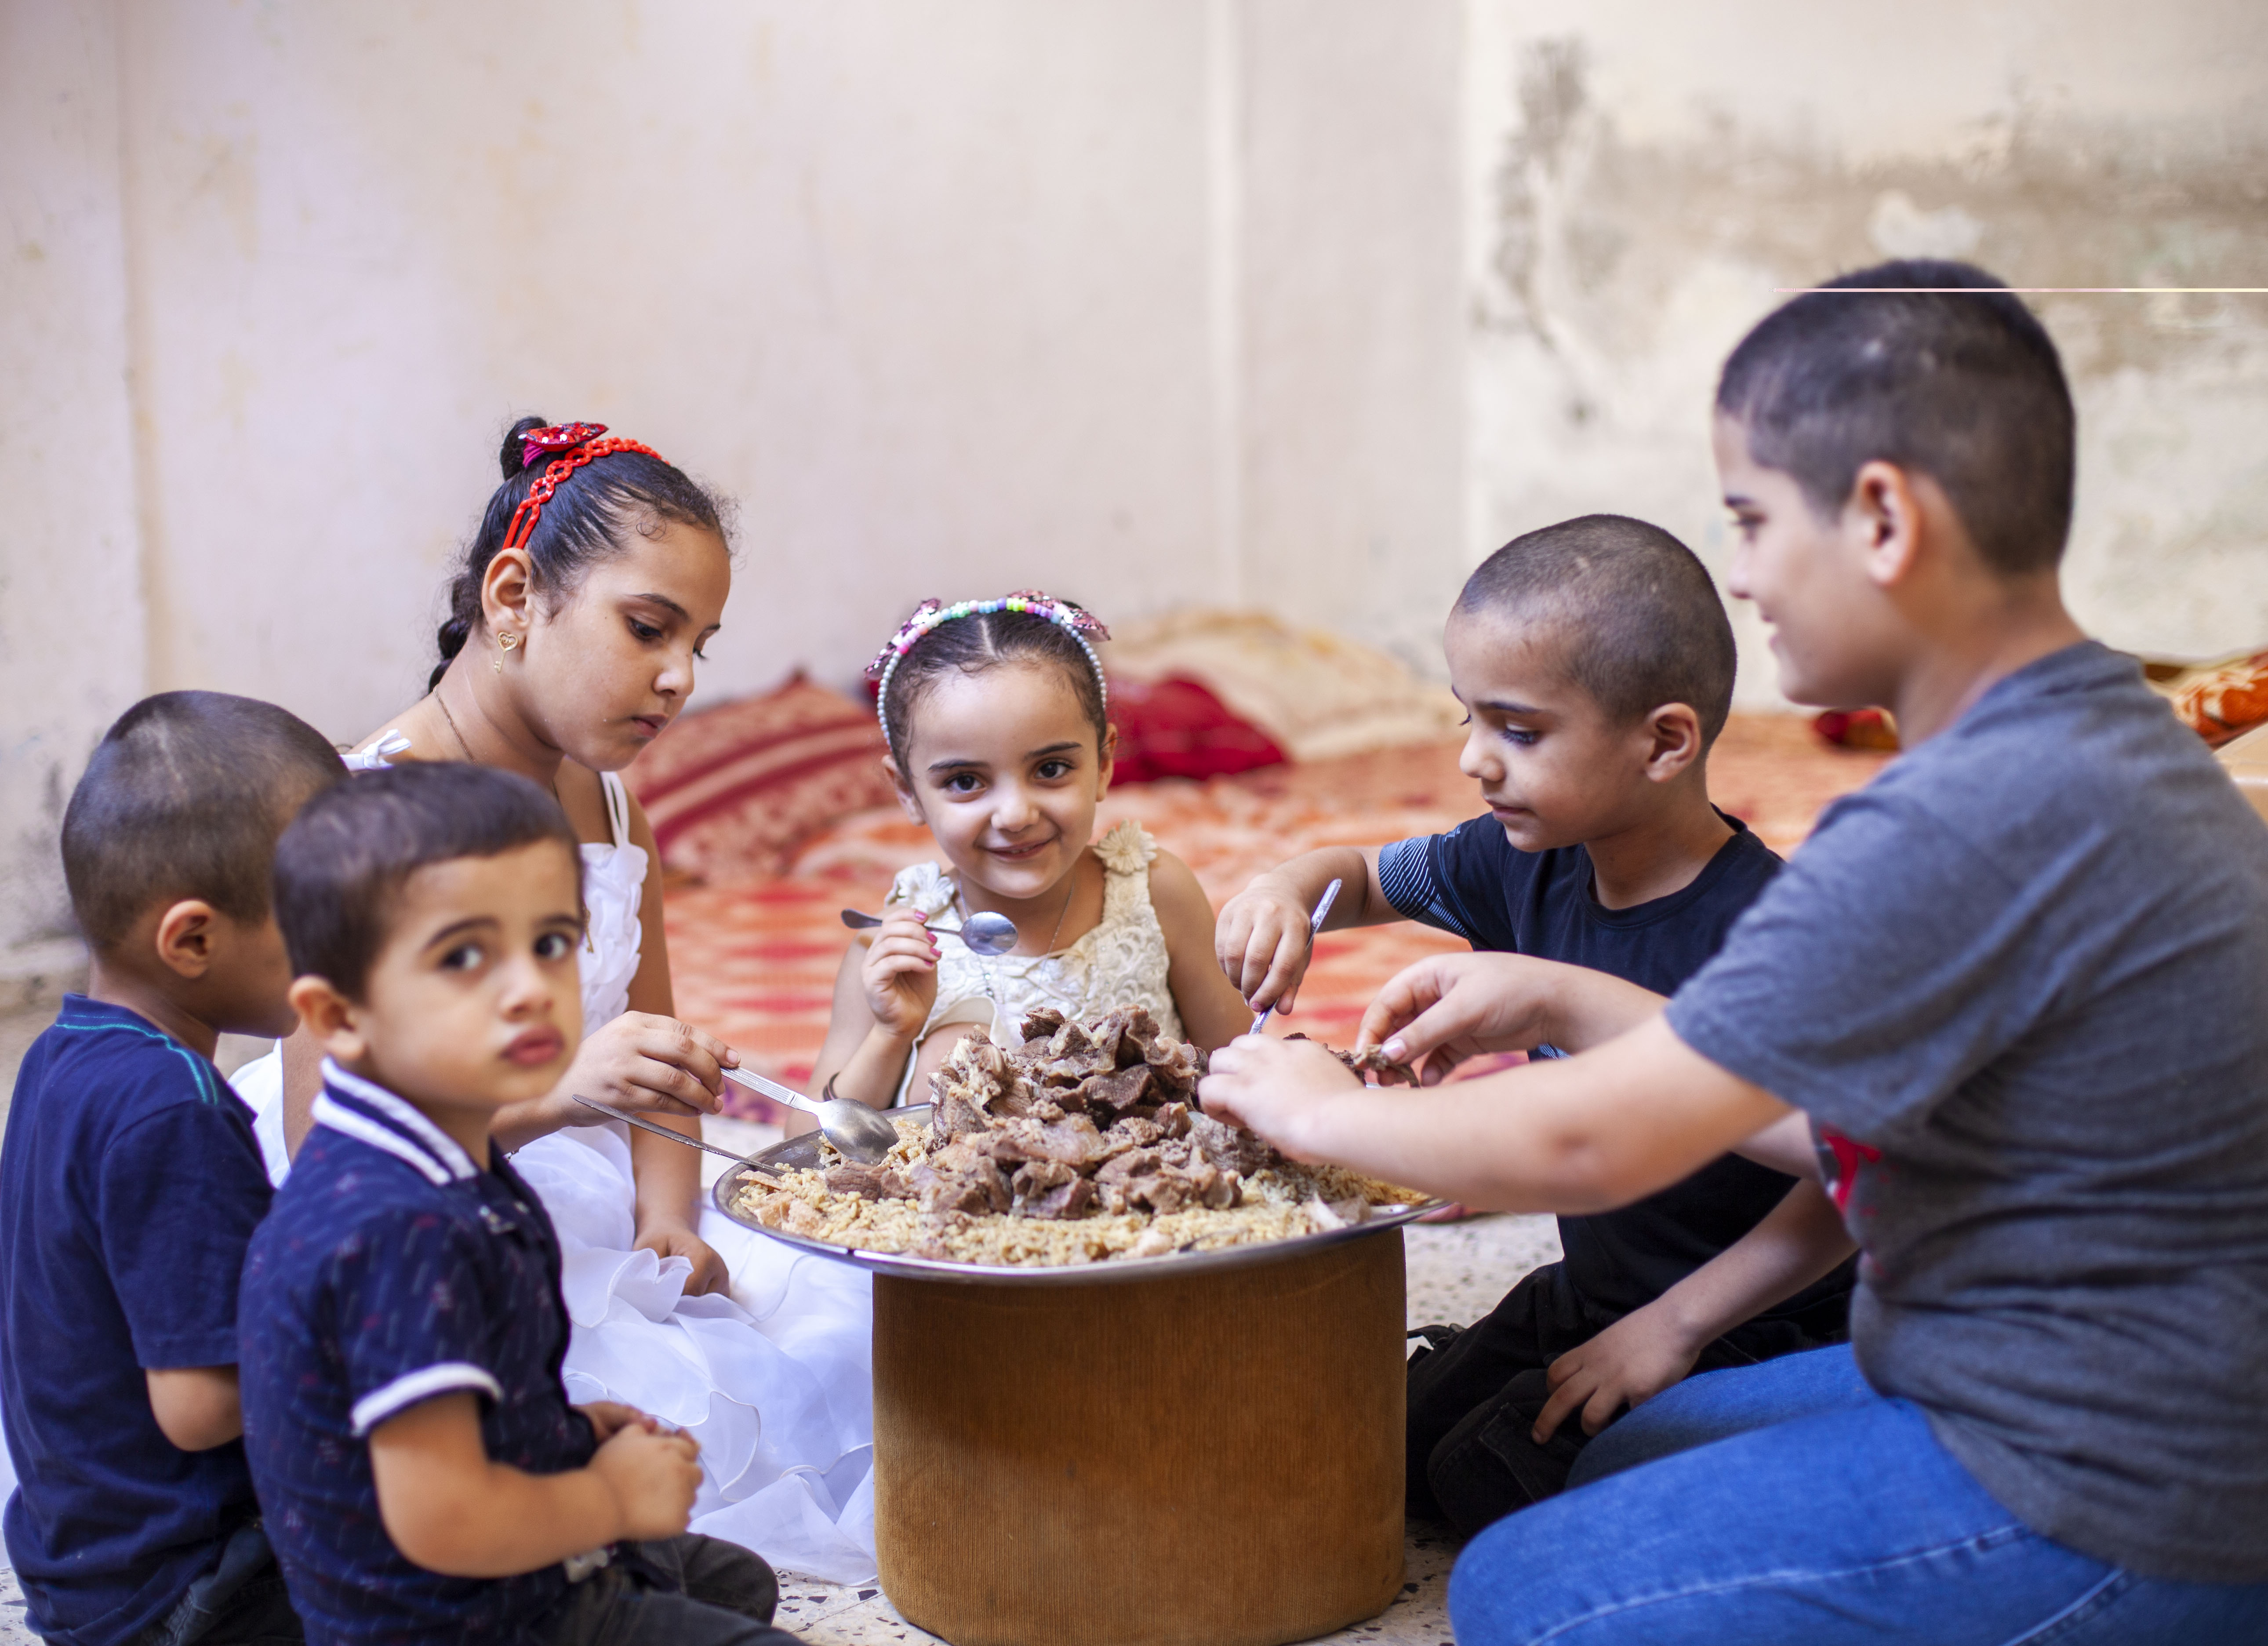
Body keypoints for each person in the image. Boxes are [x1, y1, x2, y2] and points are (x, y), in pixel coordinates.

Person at [1200, 262, 2268, 1643]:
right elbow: (1834, 1120)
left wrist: (1321, 1108)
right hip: (2094, 1376)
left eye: (1754, 522)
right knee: (1626, 1448)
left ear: (1882, 517)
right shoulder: (2103, 745)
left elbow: (1597, 1146)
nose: (1747, 575)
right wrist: (1565, 996)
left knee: (1523, 1595)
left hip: (2128, 1483)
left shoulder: (1947, 825)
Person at [229, 419, 875, 1580]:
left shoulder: (614, 808)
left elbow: (663, 1057)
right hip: (414, 1211)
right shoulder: (374, 813)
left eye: (701, 646)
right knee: (605, 1402)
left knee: (844, 1327)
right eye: (648, 629)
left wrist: (668, 1213)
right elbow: (323, 1135)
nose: (679, 676)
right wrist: (556, 1093)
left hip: (589, 1177)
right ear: (515, 595)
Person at [1215, 516, 1851, 1538]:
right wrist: (1285, 886)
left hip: (1761, 1318)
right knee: (1391, 1446)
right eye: (1467, 717)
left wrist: (1673, 1327)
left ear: (1663, 740)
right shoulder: (1522, 854)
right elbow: (1363, 876)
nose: (1474, 759)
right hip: (1598, 1285)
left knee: (1491, 1482)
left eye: (1518, 730)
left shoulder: (1771, 932)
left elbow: (1852, 1179)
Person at [240, 762, 793, 1646]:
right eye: (465, 956)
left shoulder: (450, 1154)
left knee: (737, 1585)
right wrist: (607, 1496)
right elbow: (441, 1522)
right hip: (453, 1616)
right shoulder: (396, 1228)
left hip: (501, 1568)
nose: (533, 987)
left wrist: (564, 1433)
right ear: (341, 1018)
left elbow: (471, 1397)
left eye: (553, 943)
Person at [0, 692, 344, 1645]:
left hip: (86, 1565)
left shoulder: (65, 1058)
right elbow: (202, 1407)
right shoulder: (174, 1114)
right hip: (190, 1590)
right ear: (192, 939)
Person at [806, 593, 1253, 1117]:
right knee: (949, 1052)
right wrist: (890, 1034)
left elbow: (1241, 1065)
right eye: (966, 781)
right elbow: (806, 1138)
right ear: (906, 791)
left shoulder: (1155, 893)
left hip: (1155, 1185)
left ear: (1105, 762)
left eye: (1050, 770)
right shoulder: (891, 947)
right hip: (948, 1193)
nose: (1015, 814)